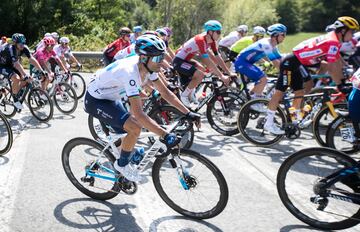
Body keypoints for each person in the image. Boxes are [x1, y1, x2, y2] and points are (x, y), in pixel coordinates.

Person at [85, 34, 200, 182]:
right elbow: (139, 114)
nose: (162, 62)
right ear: (144, 58)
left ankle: (107, 165)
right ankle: (122, 167)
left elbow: (166, 93)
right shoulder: (130, 73)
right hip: (96, 100)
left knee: (129, 140)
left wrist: (188, 112)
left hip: (111, 97)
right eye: (158, 58)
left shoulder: (148, 69)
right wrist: (165, 135)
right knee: (135, 128)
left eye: (163, 57)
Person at [264, 16, 359, 135]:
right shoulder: (333, 41)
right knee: (279, 93)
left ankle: (293, 120)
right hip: (290, 63)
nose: (353, 35)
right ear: (343, 31)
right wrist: (340, 84)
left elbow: (337, 60)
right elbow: (332, 65)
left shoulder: (335, 41)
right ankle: (268, 123)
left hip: (298, 63)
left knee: (300, 92)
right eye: (352, 31)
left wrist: (344, 77)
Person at [173, 20, 235, 107]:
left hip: (186, 60)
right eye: (218, 32)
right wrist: (221, 76)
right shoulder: (200, 40)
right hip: (178, 61)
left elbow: (217, 57)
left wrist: (228, 72)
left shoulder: (211, 42)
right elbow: (207, 61)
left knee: (203, 69)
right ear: (210, 32)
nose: (219, 34)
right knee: (200, 74)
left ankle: (191, 91)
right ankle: (184, 95)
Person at [234, 23, 286, 111]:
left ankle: (250, 98)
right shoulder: (266, 44)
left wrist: (288, 70)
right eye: (283, 34)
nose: (285, 37)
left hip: (247, 62)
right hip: (242, 62)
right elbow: (275, 62)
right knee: (263, 79)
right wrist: (284, 74)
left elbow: (280, 60)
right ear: (275, 35)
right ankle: (255, 103)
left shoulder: (273, 45)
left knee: (261, 80)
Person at [0, 33, 46, 109]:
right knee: (16, 78)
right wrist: (25, 75)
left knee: (25, 80)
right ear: (15, 43)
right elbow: (17, 64)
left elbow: (31, 59)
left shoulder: (24, 48)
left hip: (11, 64)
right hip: (2, 65)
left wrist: (41, 70)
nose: (22, 45)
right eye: (20, 43)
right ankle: (15, 99)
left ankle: (16, 91)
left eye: (23, 43)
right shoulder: (11, 48)